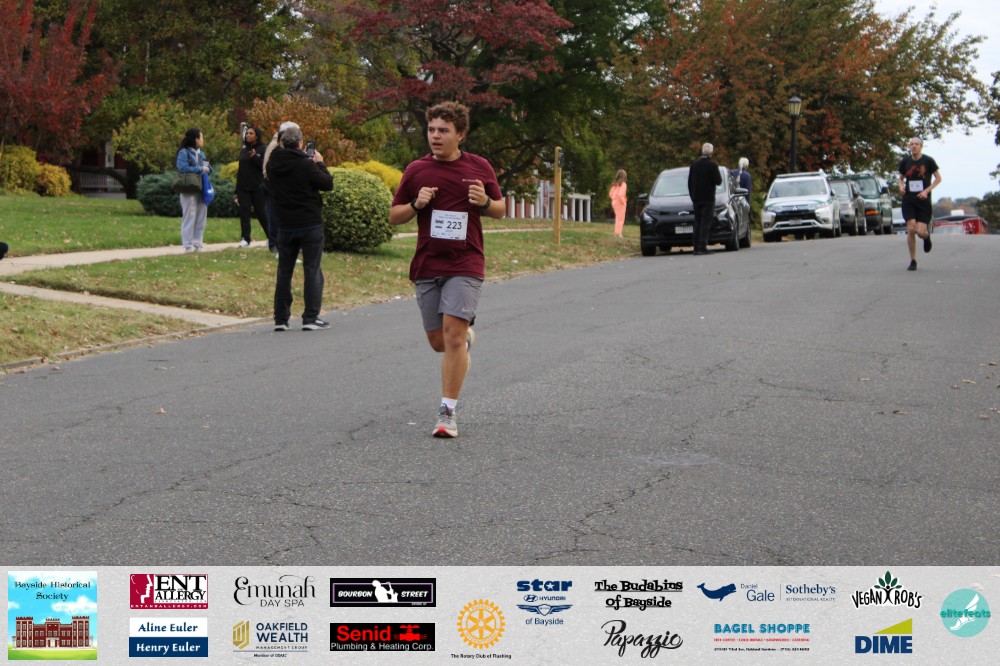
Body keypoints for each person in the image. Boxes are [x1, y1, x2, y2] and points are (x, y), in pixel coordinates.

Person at [389, 101, 504, 438]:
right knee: (439, 342)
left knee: (452, 334)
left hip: (466, 262)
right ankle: (464, 340)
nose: (435, 136)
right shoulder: (417, 170)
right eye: (431, 130)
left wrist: (484, 202)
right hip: (428, 263)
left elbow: (500, 209)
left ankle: (447, 414)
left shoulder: (479, 167)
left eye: (443, 131)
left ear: (461, 134)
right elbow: (394, 215)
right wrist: (416, 204)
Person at [266, 122, 334, 331]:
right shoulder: (306, 164)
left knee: (284, 271)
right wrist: (319, 163)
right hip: (309, 222)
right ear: (300, 142)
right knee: (312, 269)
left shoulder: (273, 164)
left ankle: (281, 318)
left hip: (285, 223)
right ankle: (310, 317)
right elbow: (327, 184)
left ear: (282, 143)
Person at [898, 137, 941, 271]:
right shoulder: (905, 162)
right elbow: (900, 178)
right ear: (909, 146)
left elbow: (938, 178)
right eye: (911, 144)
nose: (914, 146)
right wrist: (901, 187)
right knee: (911, 229)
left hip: (923, 201)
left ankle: (926, 237)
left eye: (916, 144)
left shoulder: (928, 161)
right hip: (909, 199)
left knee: (920, 232)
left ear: (921, 146)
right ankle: (913, 260)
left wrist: (926, 191)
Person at [176, 128, 211, 253]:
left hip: (201, 188)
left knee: (201, 216)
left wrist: (206, 168)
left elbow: (208, 168)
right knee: (189, 216)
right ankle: (188, 245)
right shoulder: (184, 153)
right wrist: (200, 169)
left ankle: (198, 243)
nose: (203, 140)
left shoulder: (202, 154)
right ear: (196, 139)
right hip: (189, 189)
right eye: (201, 137)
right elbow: (183, 168)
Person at [235, 126, 271, 249]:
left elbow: (264, 167)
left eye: (251, 133)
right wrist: (236, 191)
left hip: (258, 187)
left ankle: (271, 237)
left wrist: (255, 157)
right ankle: (245, 238)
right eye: (247, 133)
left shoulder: (263, 149)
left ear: (257, 136)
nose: (248, 135)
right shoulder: (244, 150)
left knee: (261, 213)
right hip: (243, 188)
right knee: (244, 213)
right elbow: (240, 171)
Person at [688, 142, 722, 255]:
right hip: (708, 198)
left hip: (696, 198)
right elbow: (718, 181)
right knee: (705, 222)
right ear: (711, 153)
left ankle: (695, 246)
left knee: (697, 221)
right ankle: (702, 245)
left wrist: (692, 195)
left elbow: (690, 181)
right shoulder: (712, 165)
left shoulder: (694, 164)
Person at [609, 169, 627, 237]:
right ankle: (618, 233)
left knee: (618, 217)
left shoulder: (615, 184)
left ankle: (617, 232)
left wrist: (614, 199)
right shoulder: (623, 184)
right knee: (621, 218)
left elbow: (610, 194)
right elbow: (620, 195)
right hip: (620, 202)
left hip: (614, 202)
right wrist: (624, 202)